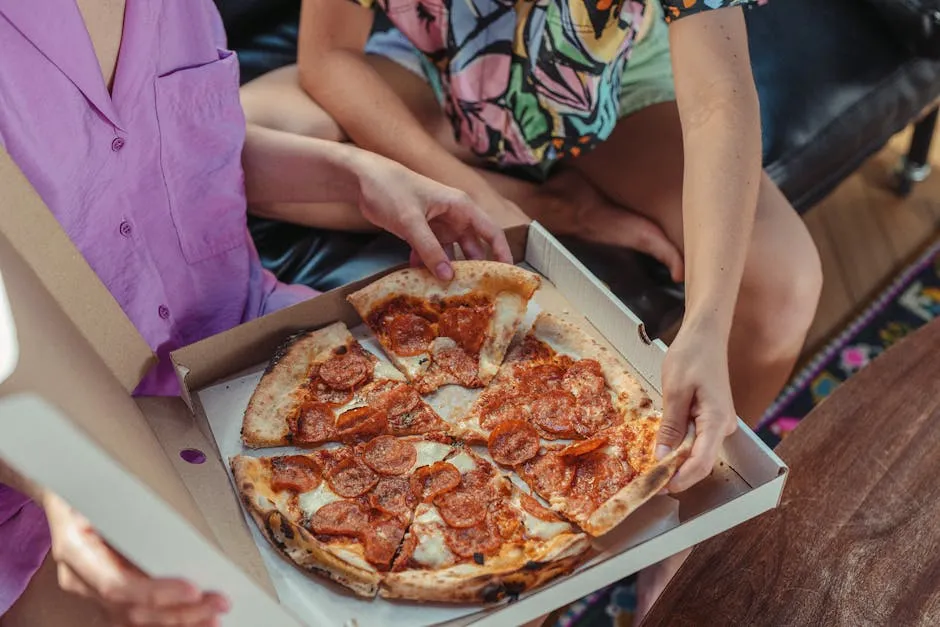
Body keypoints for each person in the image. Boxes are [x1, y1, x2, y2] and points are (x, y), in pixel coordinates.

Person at [238, 0, 823, 617]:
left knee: (783, 287)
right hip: (437, 77)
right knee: (233, 141)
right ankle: (558, 204)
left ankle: (683, 517)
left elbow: (717, 99)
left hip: (615, 89)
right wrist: (495, 205)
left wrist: (706, 320)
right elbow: (329, 56)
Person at [0, 1, 511, 625]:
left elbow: (184, 157)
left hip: (253, 343)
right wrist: (64, 493)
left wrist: (356, 175)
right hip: (51, 467)